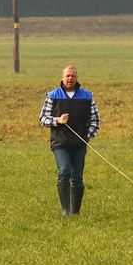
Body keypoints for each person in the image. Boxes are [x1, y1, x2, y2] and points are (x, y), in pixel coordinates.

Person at [38, 65, 100, 216]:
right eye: (67, 76)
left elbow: (95, 121)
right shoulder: (52, 96)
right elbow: (43, 119)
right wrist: (57, 120)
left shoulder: (87, 96)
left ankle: (75, 212)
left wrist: (87, 137)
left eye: (73, 76)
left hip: (79, 144)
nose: (70, 78)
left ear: (77, 78)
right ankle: (66, 211)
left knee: (77, 177)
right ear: (62, 77)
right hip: (60, 143)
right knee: (64, 171)